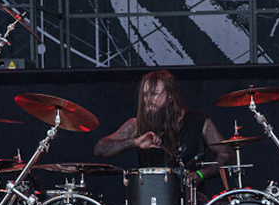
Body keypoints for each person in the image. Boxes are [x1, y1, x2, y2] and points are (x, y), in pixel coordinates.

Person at [93, 69, 228, 175]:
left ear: (170, 96)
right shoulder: (137, 124)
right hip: (151, 198)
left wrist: (200, 174)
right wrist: (135, 142)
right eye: (145, 95)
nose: (148, 100)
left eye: (155, 94)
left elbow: (226, 155)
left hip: (191, 200)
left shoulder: (199, 122)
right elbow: (100, 149)